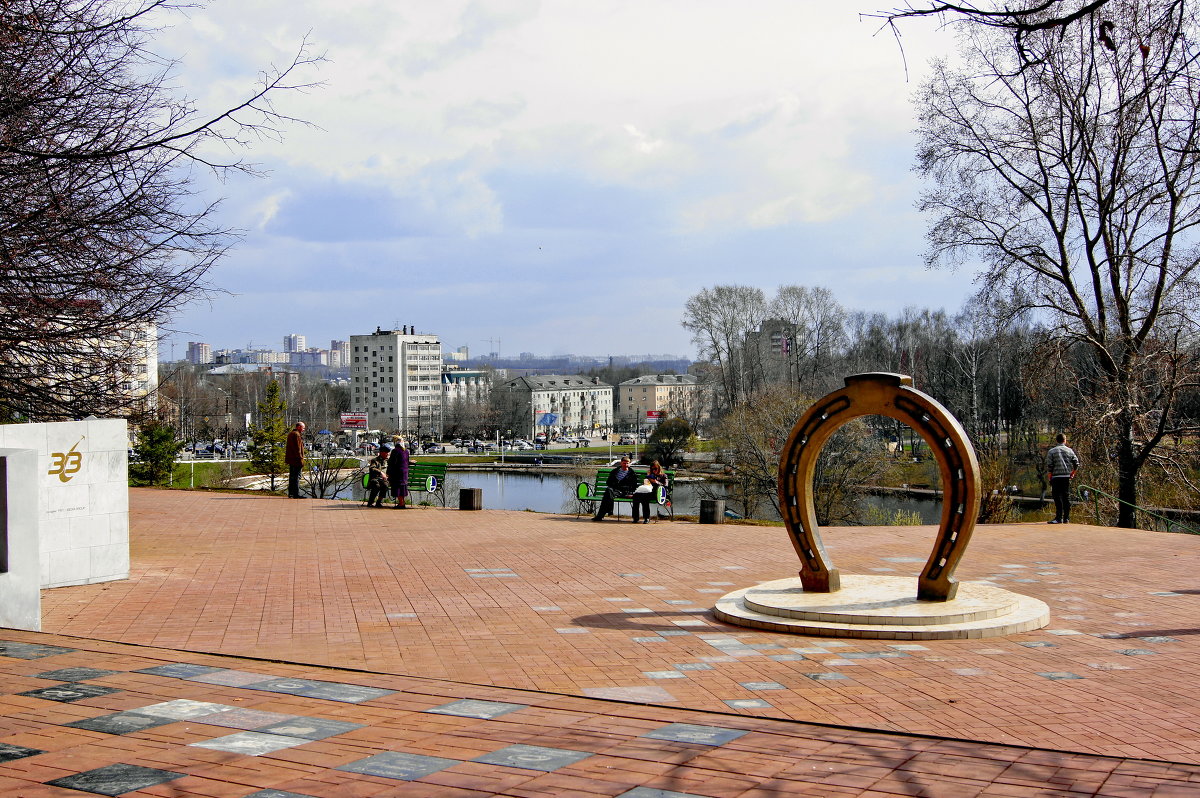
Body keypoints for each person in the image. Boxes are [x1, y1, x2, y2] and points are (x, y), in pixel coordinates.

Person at [592, 456, 640, 522]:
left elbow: (633, 486)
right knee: (608, 491)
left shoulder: (632, 474)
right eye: (624, 463)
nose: (625, 465)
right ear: (621, 463)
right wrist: (615, 486)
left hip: (625, 492)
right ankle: (606, 512)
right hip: (614, 491)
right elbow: (608, 482)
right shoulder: (615, 471)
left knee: (607, 495)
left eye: (627, 463)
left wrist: (627, 490)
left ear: (629, 463)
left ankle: (601, 515)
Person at [1046, 433, 1080, 524]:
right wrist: (1072, 473)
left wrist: (1050, 477)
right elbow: (1076, 463)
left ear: (1056, 440)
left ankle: (1058, 517)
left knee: (1057, 497)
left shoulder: (1052, 451)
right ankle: (1066, 518)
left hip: (1056, 477)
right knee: (1066, 497)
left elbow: (1050, 466)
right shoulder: (1070, 451)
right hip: (1066, 476)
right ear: (1065, 440)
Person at [631, 459, 669, 524]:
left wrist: (656, 482)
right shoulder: (651, 475)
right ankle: (635, 517)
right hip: (651, 492)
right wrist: (648, 481)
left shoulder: (663, 476)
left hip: (660, 494)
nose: (654, 471)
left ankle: (646, 518)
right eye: (652, 469)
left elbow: (665, 486)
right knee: (636, 496)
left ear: (659, 468)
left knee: (644, 498)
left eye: (655, 469)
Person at [387, 436, 410, 509]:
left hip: (397, 473)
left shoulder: (395, 451)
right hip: (404, 473)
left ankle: (401, 503)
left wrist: (389, 472)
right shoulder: (406, 451)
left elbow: (392, 462)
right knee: (402, 488)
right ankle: (402, 502)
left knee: (398, 488)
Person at [285, 422, 306, 499]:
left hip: (291, 459)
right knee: (297, 477)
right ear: (299, 427)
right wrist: (300, 459)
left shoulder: (291, 434)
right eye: (303, 428)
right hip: (296, 460)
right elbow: (298, 449)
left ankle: (291, 493)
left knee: (292, 477)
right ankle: (296, 494)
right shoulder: (296, 435)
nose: (304, 429)